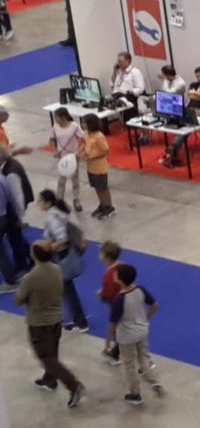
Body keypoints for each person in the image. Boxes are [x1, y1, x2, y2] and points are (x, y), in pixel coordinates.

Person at [15, 240, 85, 408]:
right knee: (52, 351)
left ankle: (73, 385)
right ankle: (49, 380)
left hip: (39, 323)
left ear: (34, 255)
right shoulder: (57, 269)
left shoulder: (30, 278)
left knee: (46, 357)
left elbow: (18, 300)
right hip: (56, 319)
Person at [106, 264, 163, 405]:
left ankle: (135, 394)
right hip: (142, 330)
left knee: (129, 364)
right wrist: (147, 317)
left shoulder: (119, 299)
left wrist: (108, 340)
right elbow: (155, 305)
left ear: (119, 279)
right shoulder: (140, 290)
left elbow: (113, 322)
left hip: (127, 336)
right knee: (143, 358)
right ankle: (154, 382)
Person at [38, 190, 88, 331]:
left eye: (40, 201)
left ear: (48, 203)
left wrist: (48, 249)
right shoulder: (60, 212)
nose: (38, 204)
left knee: (67, 290)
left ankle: (80, 321)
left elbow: (62, 239)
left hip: (60, 257)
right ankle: (77, 317)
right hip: (64, 255)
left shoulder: (52, 218)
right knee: (66, 289)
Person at [48, 108, 84, 212]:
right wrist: (54, 150)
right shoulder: (55, 127)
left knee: (75, 180)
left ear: (63, 117)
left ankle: (76, 199)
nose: (55, 119)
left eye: (56, 117)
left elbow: (84, 139)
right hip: (62, 158)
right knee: (61, 181)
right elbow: (51, 140)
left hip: (73, 158)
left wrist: (78, 152)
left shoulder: (74, 126)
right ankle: (59, 200)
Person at [81, 113, 114, 218]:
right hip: (90, 167)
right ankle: (102, 204)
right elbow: (84, 144)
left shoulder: (99, 136)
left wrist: (92, 156)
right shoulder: (86, 134)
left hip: (99, 168)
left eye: (84, 123)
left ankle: (109, 206)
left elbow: (105, 150)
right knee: (96, 187)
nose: (82, 125)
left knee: (103, 188)